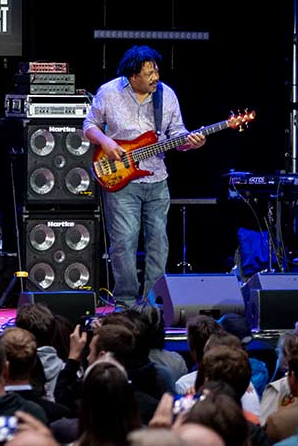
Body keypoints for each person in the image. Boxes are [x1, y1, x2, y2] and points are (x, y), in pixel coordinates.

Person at [83, 44, 206, 308]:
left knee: (158, 242)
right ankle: (126, 302)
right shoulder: (109, 92)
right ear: (132, 76)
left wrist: (190, 142)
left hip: (157, 179)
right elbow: (89, 125)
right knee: (124, 242)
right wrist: (105, 142)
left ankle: (152, 303)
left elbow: (177, 135)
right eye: (149, 73)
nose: (155, 77)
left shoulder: (167, 95)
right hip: (120, 179)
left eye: (156, 71)